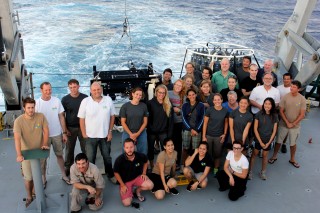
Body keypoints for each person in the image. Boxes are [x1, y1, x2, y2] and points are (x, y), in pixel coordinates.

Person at [78, 82, 117, 184]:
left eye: (98, 89)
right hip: (90, 136)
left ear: (102, 90)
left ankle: (110, 174)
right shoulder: (85, 101)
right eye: (94, 90)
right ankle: (91, 178)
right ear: (90, 91)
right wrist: (83, 133)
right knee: (90, 159)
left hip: (105, 135)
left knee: (107, 157)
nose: (96, 92)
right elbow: (81, 119)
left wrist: (110, 132)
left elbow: (112, 116)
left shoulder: (108, 100)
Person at [14, 97, 49, 207]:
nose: (31, 110)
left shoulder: (41, 116)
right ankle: (29, 196)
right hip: (26, 154)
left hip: (39, 151)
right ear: (24, 108)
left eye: (32, 107)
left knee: (39, 174)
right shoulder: (18, 121)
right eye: (28, 108)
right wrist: (19, 155)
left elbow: (46, 130)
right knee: (29, 178)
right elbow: (17, 138)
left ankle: (37, 193)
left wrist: (44, 143)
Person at [35, 82, 70, 185]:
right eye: (46, 90)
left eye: (50, 89)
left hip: (56, 134)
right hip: (43, 136)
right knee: (43, 159)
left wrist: (64, 133)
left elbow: (61, 117)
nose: (48, 92)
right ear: (41, 90)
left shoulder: (57, 101)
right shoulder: (37, 104)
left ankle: (64, 175)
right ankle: (43, 178)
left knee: (60, 155)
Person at [268, 80, 306, 168]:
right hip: (283, 124)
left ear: (299, 89)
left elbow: (302, 115)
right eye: (291, 86)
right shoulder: (285, 97)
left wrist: (293, 124)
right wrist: (287, 122)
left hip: (295, 126)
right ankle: (274, 156)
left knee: (293, 143)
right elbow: (281, 111)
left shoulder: (302, 99)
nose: (291, 88)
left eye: (294, 87)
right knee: (278, 141)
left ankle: (292, 159)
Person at [113, 138, 154, 207]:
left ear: (134, 146)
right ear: (124, 148)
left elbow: (146, 161)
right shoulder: (119, 160)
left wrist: (144, 173)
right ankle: (129, 191)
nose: (129, 149)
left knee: (150, 185)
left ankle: (137, 191)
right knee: (127, 203)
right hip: (125, 182)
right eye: (127, 147)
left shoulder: (140, 155)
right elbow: (116, 172)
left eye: (131, 147)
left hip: (137, 177)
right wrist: (122, 185)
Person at [61, 79, 88, 176]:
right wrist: (65, 130)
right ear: (69, 88)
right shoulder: (65, 99)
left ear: (78, 86)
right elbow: (62, 116)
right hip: (70, 128)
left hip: (83, 128)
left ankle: (86, 166)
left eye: (75, 87)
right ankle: (68, 167)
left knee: (85, 148)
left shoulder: (85, 98)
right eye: (71, 87)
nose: (73, 89)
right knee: (69, 150)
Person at [248, 98, 278, 180]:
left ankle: (263, 172)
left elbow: (274, 131)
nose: (267, 105)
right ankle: (250, 171)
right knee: (254, 154)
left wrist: (269, 142)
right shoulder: (258, 114)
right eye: (265, 103)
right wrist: (260, 142)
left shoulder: (275, 116)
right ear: (263, 104)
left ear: (272, 106)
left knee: (265, 156)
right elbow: (255, 129)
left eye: (269, 104)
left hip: (268, 140)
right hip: (258, 139)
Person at [147, 85, 174, 169]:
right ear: (156, 92)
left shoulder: (168, 104)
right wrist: (150, 128)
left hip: (163, 131)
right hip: (152, 131)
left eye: (163, 93)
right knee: (150, 149)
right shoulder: (150, 103)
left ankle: (166, 166)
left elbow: (171, 121)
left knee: (166, 150)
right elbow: (147, 119)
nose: (161, 94)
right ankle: (151, 165)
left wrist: (169, 134)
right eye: (160, 92)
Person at [202, 93, 228, 176]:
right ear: (213, 101)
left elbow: (226, 123)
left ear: (221, 100)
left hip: (219, 136)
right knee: (207, 153)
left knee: (217, 153)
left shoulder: (225, 111)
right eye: (215, 100)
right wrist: (203, 136)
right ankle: (207, 167)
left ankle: (216, 168)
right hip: (209, 135)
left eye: (218, 99)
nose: (217, 101)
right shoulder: (209, 110)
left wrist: (224, 134)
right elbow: (205, 123)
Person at [120, 87, 148, 155]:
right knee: (126, 152)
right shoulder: (125, 106)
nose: (138, 96)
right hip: (128, 132)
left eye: (140, 95)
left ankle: (143, 165)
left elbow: (145, 122)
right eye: (137, 94)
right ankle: (127, 165)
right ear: (132, 94)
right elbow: (123, 122)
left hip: (141, 132)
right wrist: (131, 134)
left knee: (143, 152)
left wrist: (138, 133)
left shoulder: (144, 106)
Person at [181, 88, 205, 165]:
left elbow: (202, 119)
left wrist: (196, 129)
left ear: (196, 95)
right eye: (189, 95)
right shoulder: (185, 105)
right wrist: (190, 129)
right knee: (185, 148)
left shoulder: (201, 105)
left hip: (197, 130)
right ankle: (183, 164)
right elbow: (183, 118)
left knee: (196, 149)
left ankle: (194, 165)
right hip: (187, 130)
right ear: (187, 96)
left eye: (193, 94)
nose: (191, 96)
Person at [168, 79, 186, 169]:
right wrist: (173, 108)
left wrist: (179, 110)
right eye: (177, 85)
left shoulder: (184, 96)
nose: (178, 87)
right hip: (169, 122)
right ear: (174, 85)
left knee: (178, 143)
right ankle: (169, 162)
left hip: (179, 122)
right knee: (169, 142)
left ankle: (178, 162)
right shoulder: (168, 93)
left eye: (180, 85)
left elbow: (186, 110)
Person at [277, 73, 293, 153]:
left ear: (291, 80)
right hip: (278, 110)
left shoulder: (292, 89)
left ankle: (283, 143)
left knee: (286, 128)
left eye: (288, 79)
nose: (286, 80)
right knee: (276, 127)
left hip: (287, 111)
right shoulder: (278, 88)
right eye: (285, 78)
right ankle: (275, 142)